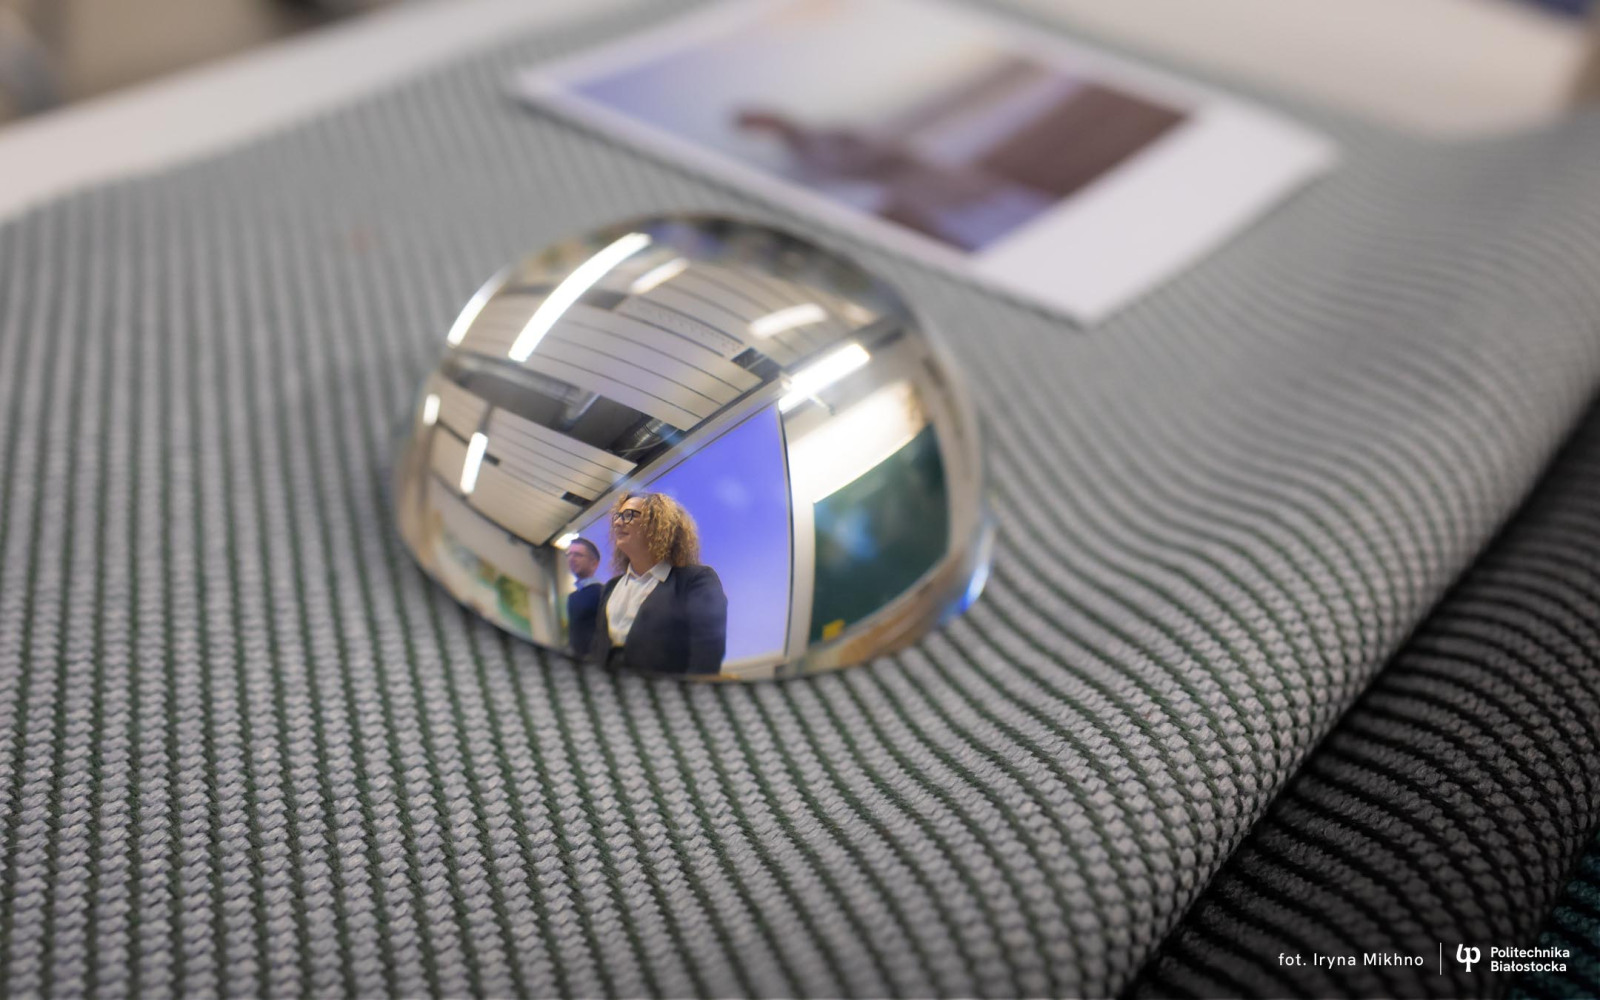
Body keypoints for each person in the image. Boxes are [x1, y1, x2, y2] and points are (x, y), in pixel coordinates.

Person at [588, 491, 728, 676]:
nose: (618, 522)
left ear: (656, 525)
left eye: (629, 515)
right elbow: (598, 648)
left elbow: (707, 653)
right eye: (618, 516)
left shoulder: (695, 580)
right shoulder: (610, 588)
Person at [564, 537, 604, 658]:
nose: (571, 558)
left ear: (594, 563)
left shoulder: (602, 592)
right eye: (569, 554)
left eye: (577, 555)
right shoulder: (572, 597)